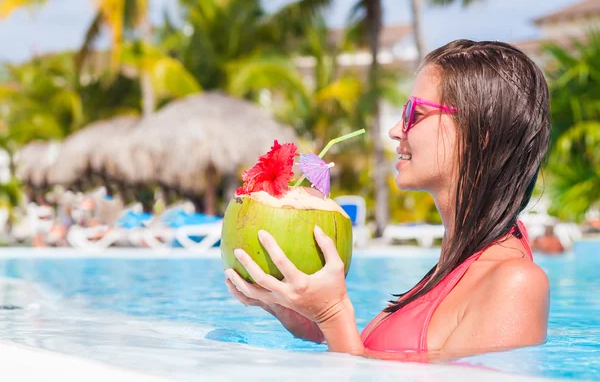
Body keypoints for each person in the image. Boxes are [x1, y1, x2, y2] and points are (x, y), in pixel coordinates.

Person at [224, 40, 551, 360]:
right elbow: (380, 359)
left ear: (481, 134)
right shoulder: (456, 266)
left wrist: (333, 314)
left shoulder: (515, 283)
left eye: (414, 114)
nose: (396, 130)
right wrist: (307, 318)